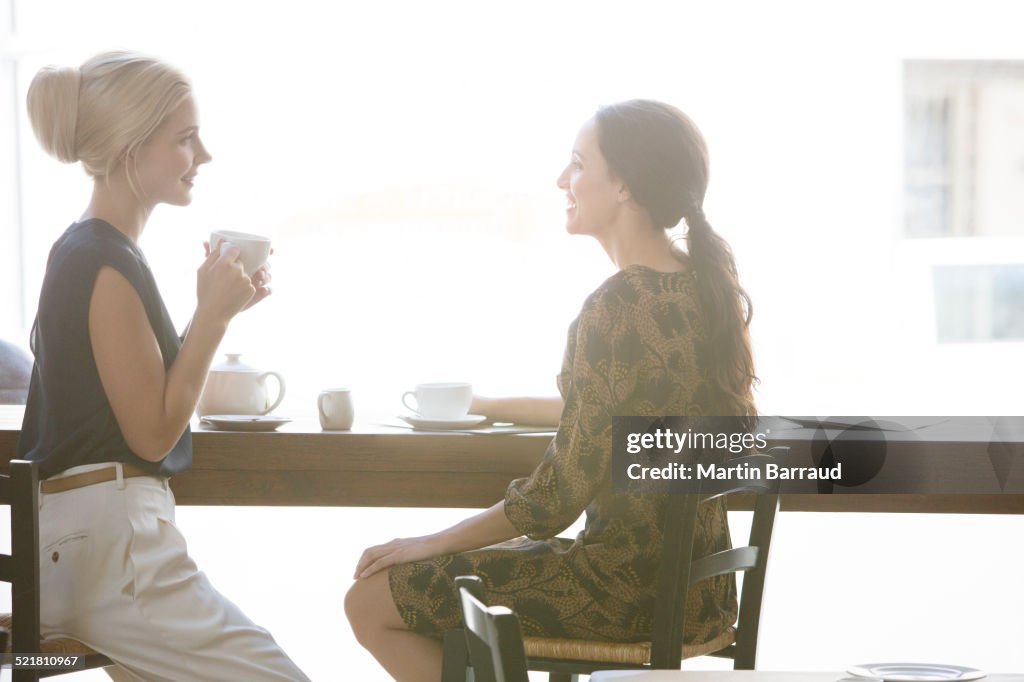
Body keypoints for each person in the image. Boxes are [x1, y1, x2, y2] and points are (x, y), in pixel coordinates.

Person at [345, 99, 758, 682]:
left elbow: (555, 499)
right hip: (699, 594)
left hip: (619, 593)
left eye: (577, 163)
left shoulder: (615, 307)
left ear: (623, 186)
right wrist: (489, 406)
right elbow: (618, 410)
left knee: (368, 600)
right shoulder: (704, 291)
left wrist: (430, 542)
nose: (562, 180)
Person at [18, 51, 309, 681]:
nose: (202, 156)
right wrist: (211, 320)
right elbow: (153, 432)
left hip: (80, 553)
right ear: (130, 150)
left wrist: (218, 312)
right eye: (185, 139)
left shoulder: (88, 251)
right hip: (113, 555)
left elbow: (131, 399)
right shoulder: (103, 262)